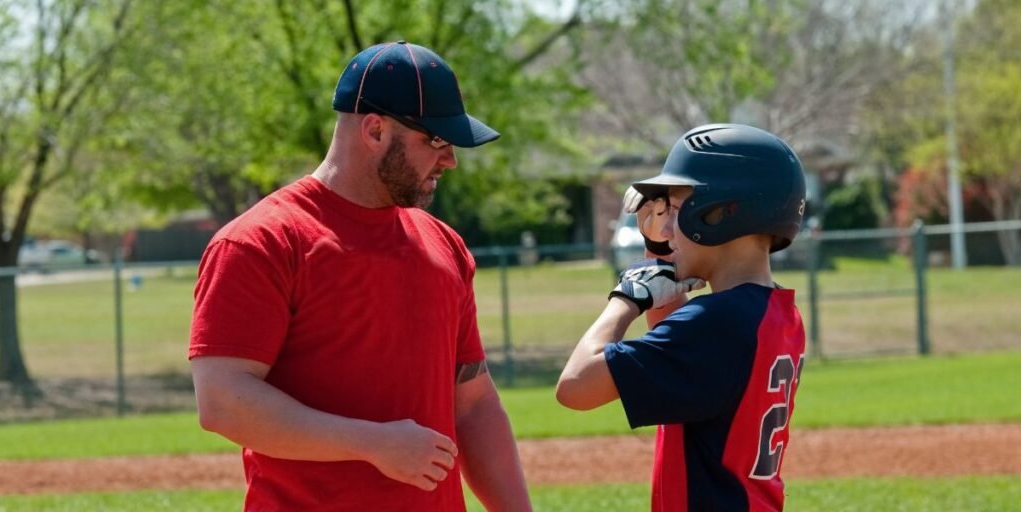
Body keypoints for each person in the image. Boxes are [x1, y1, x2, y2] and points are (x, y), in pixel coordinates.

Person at [189, 41, 531, 511]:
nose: (450, 159)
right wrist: (371, 442)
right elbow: (223, 400)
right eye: (435, 140)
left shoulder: (443, 244)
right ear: (374, 130)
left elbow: (472, 405)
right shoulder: (261, 242)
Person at [557, 123, 808, 511]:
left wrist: (625, 298)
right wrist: (659, 252)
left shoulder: (716, 320)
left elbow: (575, 387)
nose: (668, 225)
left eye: (676, 209)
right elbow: (672, 362)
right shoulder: (775, 312)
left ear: (721, 212)